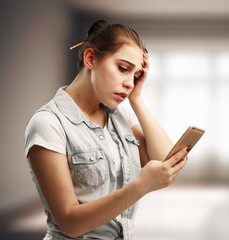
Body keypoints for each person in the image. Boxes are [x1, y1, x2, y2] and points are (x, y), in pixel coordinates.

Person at [24, 20, 188, 240]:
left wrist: (136, 99)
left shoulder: (121, 115)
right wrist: (139, 187)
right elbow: (70, 223)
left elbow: (166, 162)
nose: (130, 82)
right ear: (90, 58)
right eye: (123, 69)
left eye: (136, 75)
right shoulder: (48, 123)